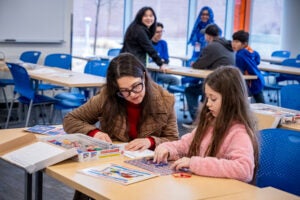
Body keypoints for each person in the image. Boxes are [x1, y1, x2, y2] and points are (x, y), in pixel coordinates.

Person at [64, 53, 179, 200]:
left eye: (136, 86)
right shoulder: (107, 98)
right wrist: (94, 133)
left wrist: (150, 141)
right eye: (124, 91)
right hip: (110, 166)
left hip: (147, 171)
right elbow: (71, 119)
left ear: (144, 76)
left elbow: (174, 140)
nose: (133, 94)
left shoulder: (165, 100)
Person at [154, 66, 258, 183]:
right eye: (207, 98)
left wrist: (195, 163)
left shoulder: (239, 132)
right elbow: (185, 145)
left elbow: (244, 170)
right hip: (204, 186)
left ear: (231, 100)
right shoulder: (210, 122)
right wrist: (167, 149)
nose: (208, 104)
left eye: (213, 99)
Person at [183, 24, 235, 128]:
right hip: (228, 82)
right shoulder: (227, 45)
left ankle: (198, 123)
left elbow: (199, 65)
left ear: (208, 36)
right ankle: (203, 121)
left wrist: (194, 64)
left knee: (190, 90)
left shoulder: (212, 46)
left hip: (217, 83)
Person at [232, 30, 265, 103]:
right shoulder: (251, 51)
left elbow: (239, 71)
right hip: (258, 79)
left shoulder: (239, 55)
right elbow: (257, 60)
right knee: (261, 103)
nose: (233, 44)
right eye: (233, 41)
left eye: (237, 42)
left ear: (244, 44)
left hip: (250, 82)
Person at [151, 22, 180, 87]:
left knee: (176, 80)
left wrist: (160, 61)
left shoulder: (163, 43)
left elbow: (166, 60)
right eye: (157, 32)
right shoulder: (147, 44)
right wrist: (160, 60)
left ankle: (167, 96)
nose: (160, 34)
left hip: (160, 72)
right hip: (149, 72)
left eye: (161, 31)